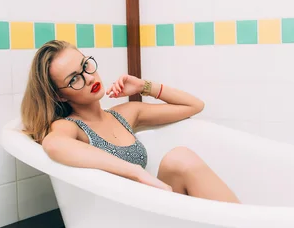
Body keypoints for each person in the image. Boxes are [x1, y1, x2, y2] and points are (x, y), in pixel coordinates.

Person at [20, 40, 240, 204]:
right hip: (125, 221)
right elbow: (53, 144)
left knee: (179, 158)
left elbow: (194, 106)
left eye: (86, 65)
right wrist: (136, 172)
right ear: (60, 96)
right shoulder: (70, 126)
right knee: (179, 158)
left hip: (148, 207)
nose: (89, 78)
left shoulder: (124, 114)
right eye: (74, 79)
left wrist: (143, 86)